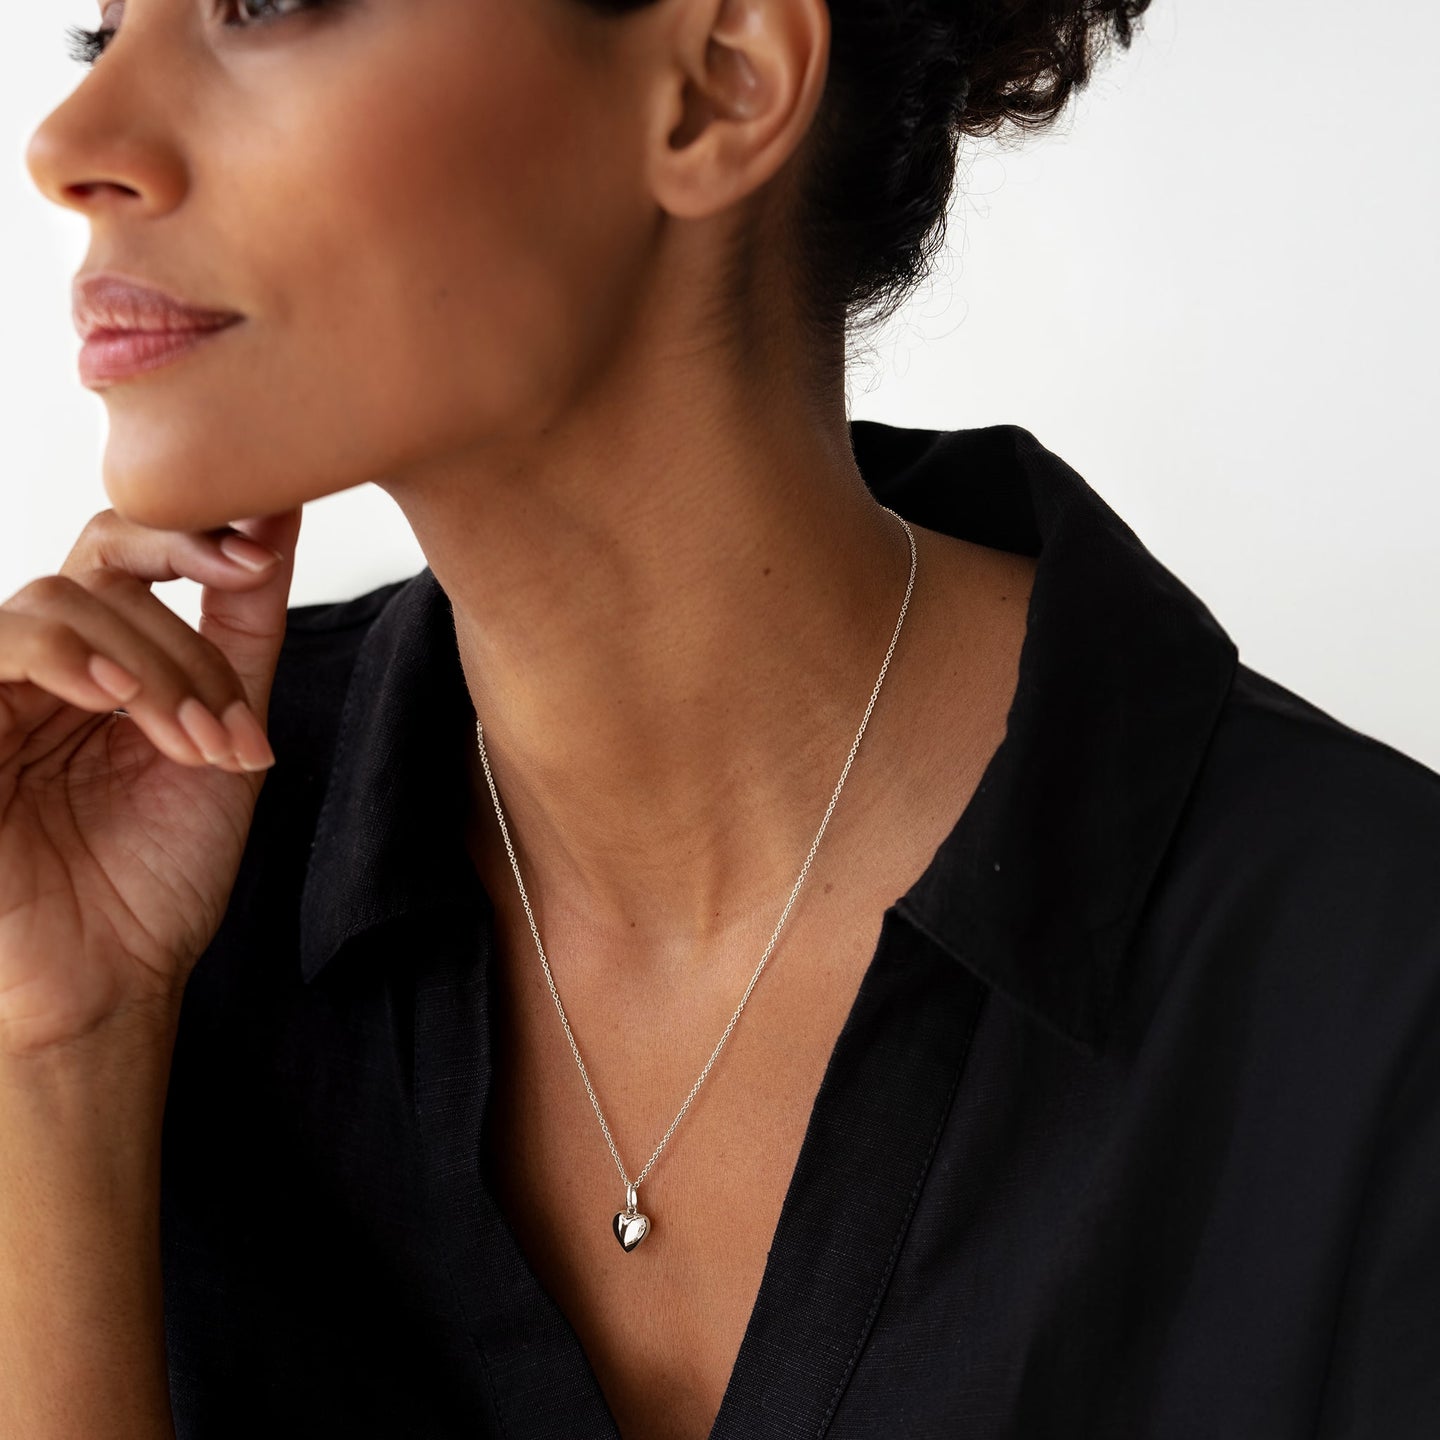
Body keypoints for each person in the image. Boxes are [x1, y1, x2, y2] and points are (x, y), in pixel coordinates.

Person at [3, 1, 1436, 1437]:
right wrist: (62, 1057)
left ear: (717, 82)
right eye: (99, 31)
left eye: (262, 4)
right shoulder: (121, 887)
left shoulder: (1372, 992)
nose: (69, 147)